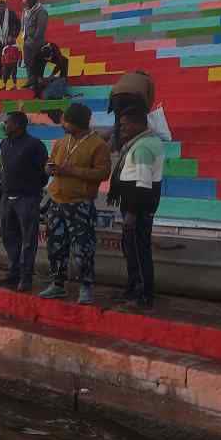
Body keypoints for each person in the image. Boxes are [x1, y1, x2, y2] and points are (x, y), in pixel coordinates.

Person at [39, 102, 111, 304]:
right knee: (55, 245)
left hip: (80, 204)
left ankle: (86, 287)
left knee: (83, 248)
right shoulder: (62, 142)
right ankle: (57, 284)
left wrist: (71, 171)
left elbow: (103, 173)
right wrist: (49, 169)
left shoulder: (98, 145)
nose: (62, 124)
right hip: (56, 202)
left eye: (66, 121)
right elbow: (50, 163)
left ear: (76, 123)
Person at [107, 107, 165, 309]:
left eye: (124, 125)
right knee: (134, 251)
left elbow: (142, 183)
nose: (121, 129)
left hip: (137, 210)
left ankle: (142, 294)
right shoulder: (143, 143)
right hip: (137, 208)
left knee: (138, 253)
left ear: (138, 125)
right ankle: (133, 289)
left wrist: (131, 214)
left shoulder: (142, 148)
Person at [0, 112, 49, 292]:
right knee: (8, 235)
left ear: (18, 125)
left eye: (7, 122)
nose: (4, 125)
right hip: (7, 197)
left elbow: (44, 173)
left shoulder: (35, 145)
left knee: (28, 240)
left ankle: (26, 277)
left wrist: (31, 188)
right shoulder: (4, 144)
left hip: (27, 198)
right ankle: (14, 272)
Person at [108, 70, 156, 152]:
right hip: (135, 96)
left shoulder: (126, 76)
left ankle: (117, 147)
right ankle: (138, 140)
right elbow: (150, 98)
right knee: (139, 120)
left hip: (116, 96)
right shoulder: (148, 80)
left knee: (118, 121)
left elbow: (114, 89)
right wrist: (146, 111)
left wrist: (112, 107)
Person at [0, 0, 21, 80]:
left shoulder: (11, 14)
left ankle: (11, 76)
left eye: (2, 6)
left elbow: (18, 24)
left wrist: (14, 36)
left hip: (10, 41)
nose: (1, 8)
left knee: (11, 59)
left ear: (5, 6)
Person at [21, 0, 49, 89]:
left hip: (37, 42)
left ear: (34, 0)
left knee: (36, 63)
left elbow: (41, 28)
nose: (27, 2)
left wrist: (34, 40)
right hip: (27, 41)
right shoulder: (26, 11)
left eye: (29, 0)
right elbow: (23, 25)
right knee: (28, 62)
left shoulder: (41, 11)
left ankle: (37, 81)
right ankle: (30, 80)